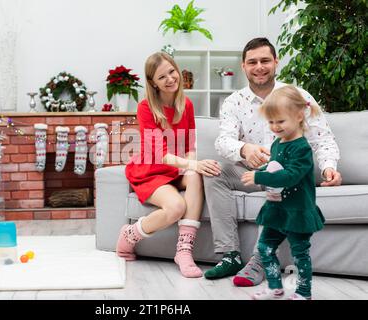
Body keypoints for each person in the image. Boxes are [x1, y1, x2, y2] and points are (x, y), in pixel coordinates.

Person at [203, 37, 341, 285]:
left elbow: (323, 139)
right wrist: (244, 149)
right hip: (251, 172)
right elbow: (223, 142)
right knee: (214, 172)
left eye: (265, 60)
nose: (259, 67)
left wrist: (329, 167)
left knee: (281, 176)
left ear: (276, 62)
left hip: (287, 174)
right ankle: (230, 255)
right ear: (243, 66)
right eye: (252, 62)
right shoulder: (234, 102)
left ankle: (261, 260)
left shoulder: (296, 95)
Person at [116, 52, 221, 278]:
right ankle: (130, 234)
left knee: (195, 175)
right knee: (175, 207)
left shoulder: (187, 104)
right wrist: (193, 164)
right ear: (153, 82)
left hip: (175, 170)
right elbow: (161, 155)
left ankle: (184, 251)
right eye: (162, 77)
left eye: (172, 72)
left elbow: (190, 144)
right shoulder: (146, 108)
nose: (170, 79)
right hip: (151, 171)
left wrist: (193, 164)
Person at [241, 85, 324, 300]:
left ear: (298, 116)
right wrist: (261, 171)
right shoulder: (277, 143)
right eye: (271, 122)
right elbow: (275, 166)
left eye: (280, 121)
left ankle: (304, 292)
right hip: (277, 210)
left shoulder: (302, 148)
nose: (275, 127)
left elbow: (290, 176)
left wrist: (260, 177)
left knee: (300, 253)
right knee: (265, 248)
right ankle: (274, 286)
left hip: (297, 210)